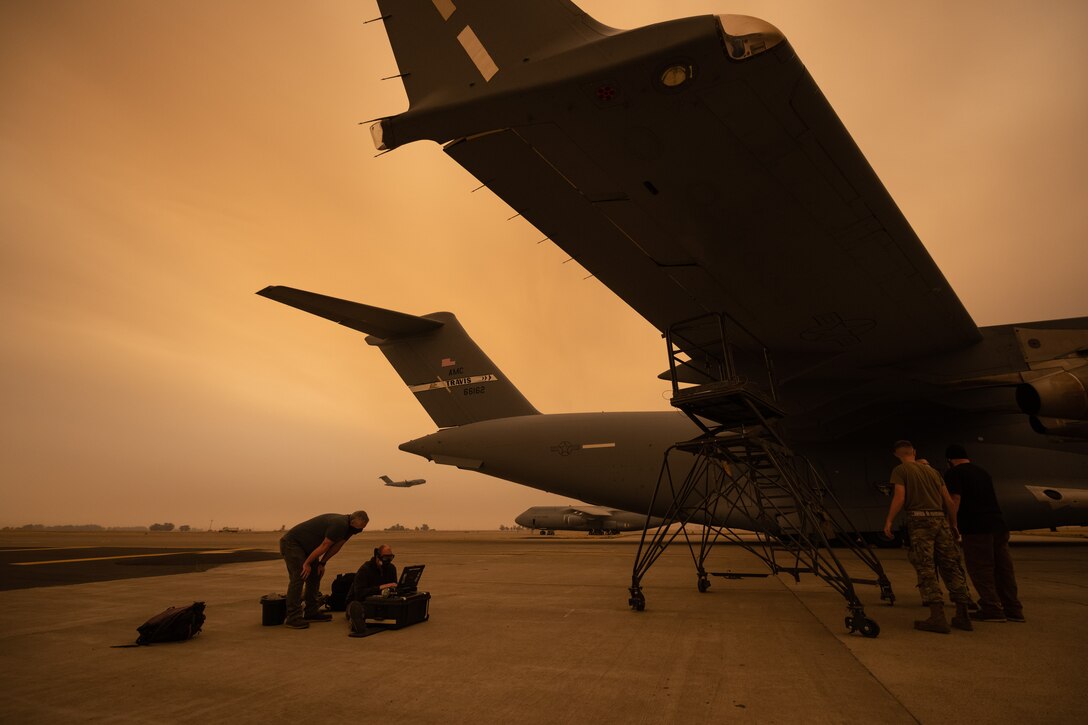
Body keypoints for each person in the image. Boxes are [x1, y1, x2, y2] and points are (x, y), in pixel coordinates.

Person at [883, 440, 973, 633]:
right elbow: (949, 501)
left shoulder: (901, 470)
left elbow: (900, 497)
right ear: (914, 451)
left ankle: (937, 617)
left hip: (919, 521)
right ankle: (963, 615)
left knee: (926, 567)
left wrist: (889, 521)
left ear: (896, 454)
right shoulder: (934, 472)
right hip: (940, 520)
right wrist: (954, 525)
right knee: (951, 565)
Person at [944, 444, 1024, 622]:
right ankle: (1013, 608)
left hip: (976, 527)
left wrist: (952, 524)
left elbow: (954, 499)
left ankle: (992, 608)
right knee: (1004, 569)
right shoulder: (983, 472)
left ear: (949, 460)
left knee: (981, 568)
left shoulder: (954, 473)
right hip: (998, 525)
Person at [279, 511, 369, 629]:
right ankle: (293, 617)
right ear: (353, 521)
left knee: (316, 574)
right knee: (300, 576)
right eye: (360, 527)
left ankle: (311, 611)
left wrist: (322, 563)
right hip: (293, 544)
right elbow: (325, 545)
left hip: (307, 548)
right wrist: (306, 563)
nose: (359, 531)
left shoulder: (350, 529)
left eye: (362, 529)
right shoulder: (340, 524)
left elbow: (337, 546)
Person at [346, 544, 398, 637]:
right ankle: (356, 620)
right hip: (360, 600)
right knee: (357, 607)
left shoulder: (391, 568)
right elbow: (359, 594)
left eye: (391, 557)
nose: (389, 560)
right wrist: (380, 587)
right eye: (386, 558)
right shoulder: (365, 570)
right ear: (377, 557)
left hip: (379, 600)